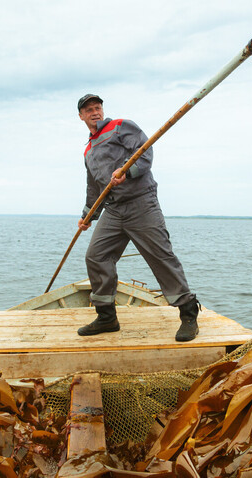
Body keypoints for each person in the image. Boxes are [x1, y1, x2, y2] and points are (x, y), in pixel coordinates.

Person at [75, 93, 200, 342]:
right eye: (88, 110)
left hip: (141, 203)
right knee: (96, 256)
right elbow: (94, 186)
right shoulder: (88, 150)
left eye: (97, 107)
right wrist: (88, 215)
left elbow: (144, 153)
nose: (94, 112)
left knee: (161, 256)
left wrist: (128, 172)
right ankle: (107, 317)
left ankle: (188, 313)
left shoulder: (121, 126)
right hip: (112, 210)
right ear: (81, 116)